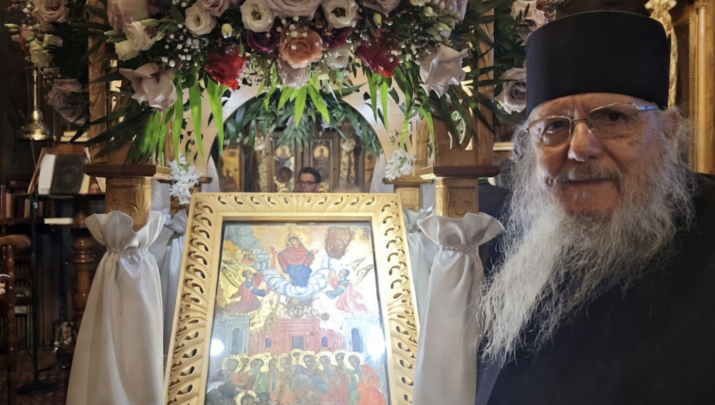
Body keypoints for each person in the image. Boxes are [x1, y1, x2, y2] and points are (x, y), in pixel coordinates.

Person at [475, 11, 715, 404]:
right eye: (554, 126)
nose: (579, 148)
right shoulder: (505, 243)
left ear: (668, 133)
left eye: (613, 117)